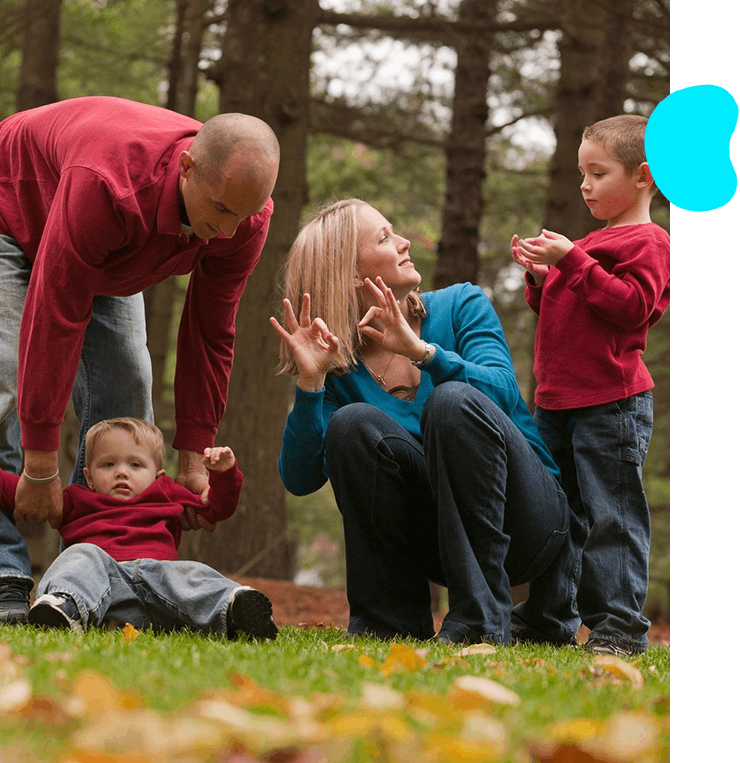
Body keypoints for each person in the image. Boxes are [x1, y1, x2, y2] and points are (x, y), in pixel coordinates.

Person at [0, 96, 280, 623]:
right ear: (187, 167)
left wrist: (195, 456)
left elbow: (210, 330)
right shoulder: (109, 184)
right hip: (11, 210)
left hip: (109, 247)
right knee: (2, 381)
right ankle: (5, 572)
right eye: (220, 210)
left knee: (127, 389)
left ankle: (104, 578)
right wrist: (40, 462)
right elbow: (57, 310)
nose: (226, 232)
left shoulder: (243, 217)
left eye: (241, 216)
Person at [269, 198, 580, 645]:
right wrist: (312, 382)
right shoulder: (339, 368)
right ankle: (387, 626)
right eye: (383, 238)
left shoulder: (460, 304)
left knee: (453, 402)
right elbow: (299, 479)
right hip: (438, 544)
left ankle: (480, 623)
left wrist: (423, 353)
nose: (404, 241)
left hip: (529, 520)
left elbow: (502, 392)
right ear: (352, 275)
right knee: (352, 424)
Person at [511, 114, 670, 656]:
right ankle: (549, 617)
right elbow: (562, 310)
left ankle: (620, 626)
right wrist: (540, 278)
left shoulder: (649, 242)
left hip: (612, 403)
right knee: (558, 517)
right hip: (556, 402)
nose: (584, 185)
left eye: (598, 173)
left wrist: (570, 261)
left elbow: (632, 308)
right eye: (582, 173)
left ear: (643, 176)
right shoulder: (587, 244)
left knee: (612, 517)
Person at [0, 418, 278, 639]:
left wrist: (224, 474)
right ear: (90, 477)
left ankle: (234, 608)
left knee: (191, 573)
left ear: (157, 476)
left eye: (135, 464)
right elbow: (21, 494)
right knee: (82, 555)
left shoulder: (167, 493)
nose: (122, 472)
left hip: (160, 584)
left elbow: (215, 509)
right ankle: (65, 606)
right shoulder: (75, 498)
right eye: (108, 464)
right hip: (104, 590)